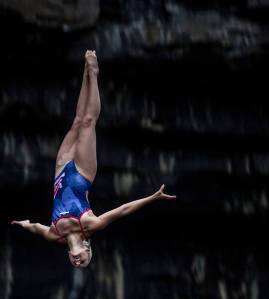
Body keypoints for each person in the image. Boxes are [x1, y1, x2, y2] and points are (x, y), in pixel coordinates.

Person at [11, 50, 176, 268]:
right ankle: (94, 73)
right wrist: (152, 198)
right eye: (85, 261)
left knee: (77, 122)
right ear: (88, 248)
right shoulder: (89, 225)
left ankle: (84, 74)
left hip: (61, 172)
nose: (79, 262)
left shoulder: (54, 235)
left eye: (76, 264)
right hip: (81, 173)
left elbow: (35, 227)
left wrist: (23, 224)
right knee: (88, 122)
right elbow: (123, 210)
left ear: (69, 257)